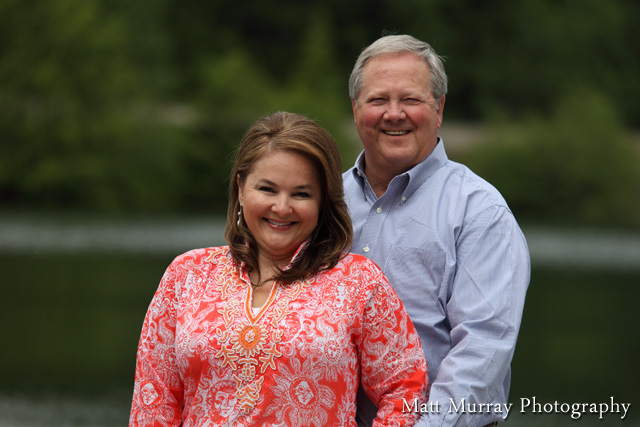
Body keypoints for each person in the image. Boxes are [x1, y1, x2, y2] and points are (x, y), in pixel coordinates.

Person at [130, 111, 428, 426]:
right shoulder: (186, 274)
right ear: (241, 188)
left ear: (323, 202)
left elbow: (406, 389)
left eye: (301, 193)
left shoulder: (358, 281)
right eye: (268, 189)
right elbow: (153, 402)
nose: (282, 207)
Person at [344, 34, 531, 426]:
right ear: (356, 107)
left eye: (411, 100)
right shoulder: (323, 201)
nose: (394, 114)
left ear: (440, 107)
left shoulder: (480, 212)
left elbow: (483, 348)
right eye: (378, 100)